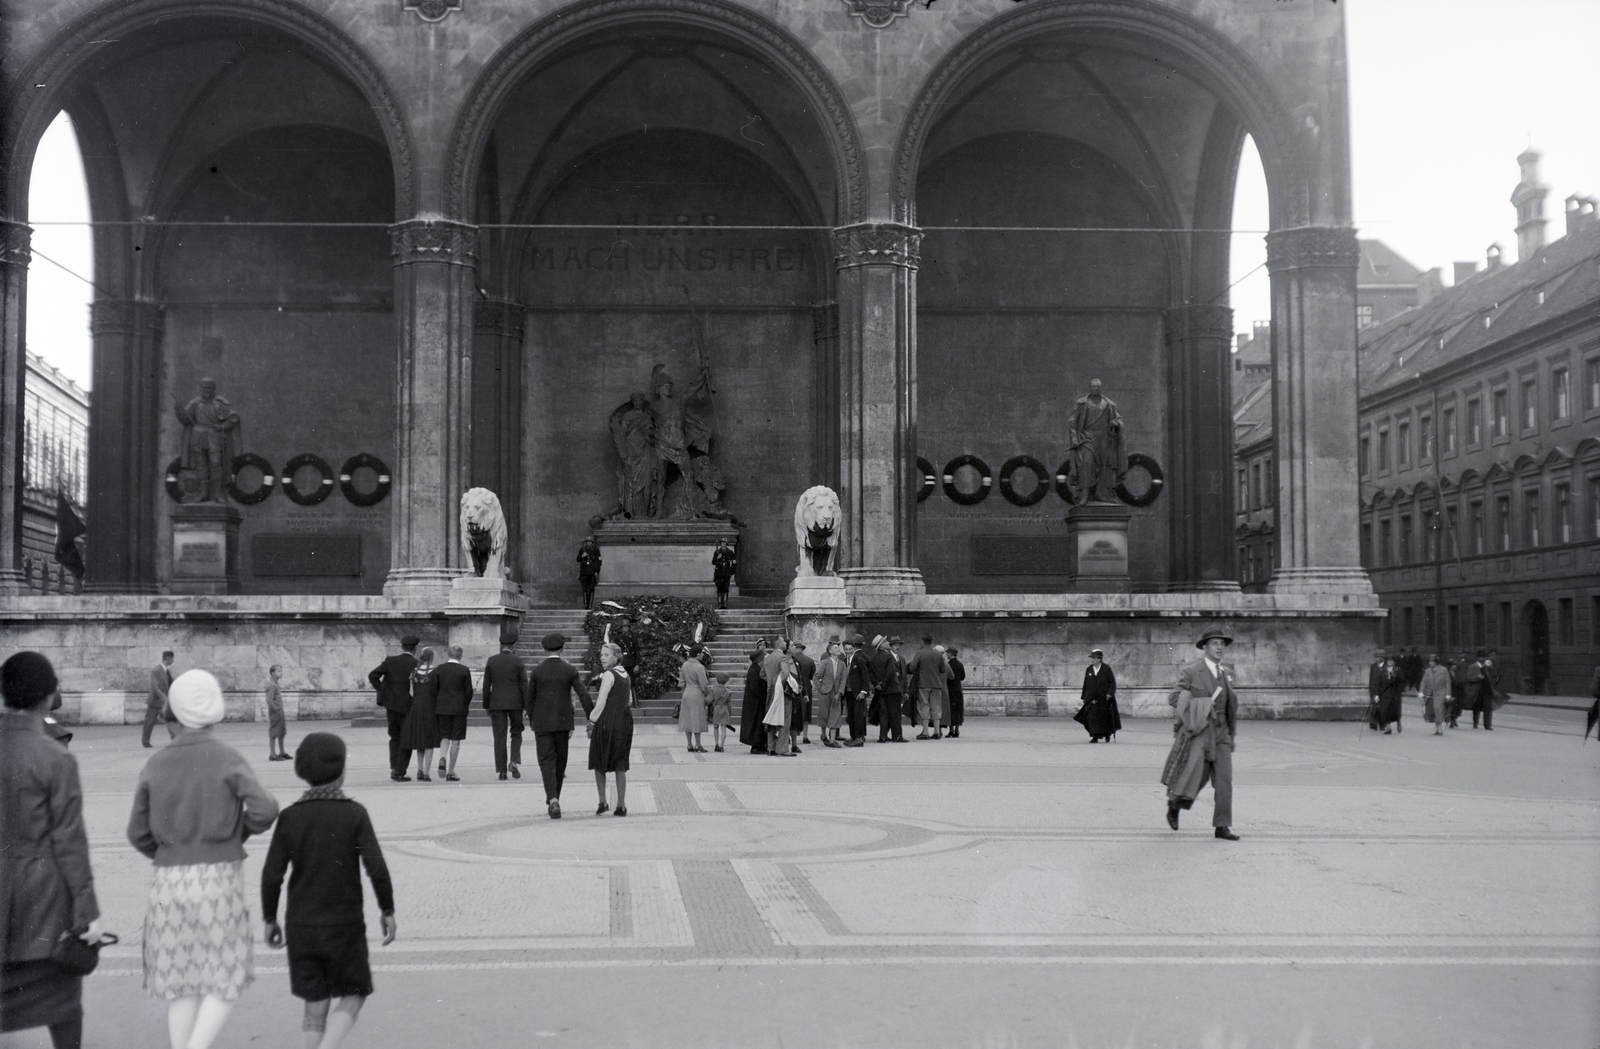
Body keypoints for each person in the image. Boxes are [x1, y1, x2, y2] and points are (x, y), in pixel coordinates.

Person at [127, 669, 280, 1049]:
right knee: (225, 974)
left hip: (167, 882)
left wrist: (166, 851)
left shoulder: (157, 763)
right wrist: (233, 834)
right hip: (218, 878)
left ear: (173, 714)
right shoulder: (227, 757)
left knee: (182, 978)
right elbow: (265, 810)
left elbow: (137, 832)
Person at [261, 733, 397, 1049]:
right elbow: (376, 867)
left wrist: (270, 918)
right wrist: (387, 910)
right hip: (344, 925)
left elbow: (272, 875)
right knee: (354, 994)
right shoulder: (354, 813)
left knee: (315, 1002)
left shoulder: (290, 817)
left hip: (301, 925)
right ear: (342, 771)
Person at [2, 652, 102, 1049]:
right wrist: (88, 914)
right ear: (48, 696)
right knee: (62, 1004)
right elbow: (70, 842)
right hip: (42, 906)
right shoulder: (56, 758)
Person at [1161, 627, 1240, 841]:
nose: (1220, 647)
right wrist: (1201, 706)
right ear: (1204, 647)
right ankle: (1175, 805)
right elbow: (1175, 698)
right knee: (1197, 779)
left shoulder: (1227, 674)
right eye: (1215, 643)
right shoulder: (1192, 672)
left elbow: (1230, 707)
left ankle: (1222, 826)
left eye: (1222, 644)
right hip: (1200, 735)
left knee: (1225, 781)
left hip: (1222, 735)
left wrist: (1231, 735)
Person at [526, 634, 593, 819]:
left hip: (542, 723)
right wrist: (591, 716)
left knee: (546, 762)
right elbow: (583, 695)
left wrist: (532, 719)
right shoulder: (569, 669)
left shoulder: (537, 671)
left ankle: (553, 799)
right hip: (563, 722)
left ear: (544, 649)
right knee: (560, 763)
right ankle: (555, 797)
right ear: (562, 649)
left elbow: (529, 698)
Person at [171, 378, 241, 504]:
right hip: (197, 435)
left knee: (215, 464)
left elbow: (233, 417)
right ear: (200, 388)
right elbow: (185, 419)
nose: (206, 390)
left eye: (209, 388)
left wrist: (221, 426)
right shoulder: (195, 403)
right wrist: (178, 410)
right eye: (204, 387)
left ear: (213, 390)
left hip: (214, 436)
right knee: (200, 466)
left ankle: (218, 494)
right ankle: (203, 493)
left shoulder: (217, 404)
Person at [587, 643, 634, 815]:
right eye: (601, 654)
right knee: (620, 762)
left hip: (608, 720)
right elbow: (628, 700)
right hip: (624, 720)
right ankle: (621, 804)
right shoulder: (625, 674)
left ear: (616, 657)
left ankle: (602, 802)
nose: (602, 657)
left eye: (606, 655)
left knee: (599, 760)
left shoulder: (609, 675)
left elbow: (601, 701)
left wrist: (592, 721)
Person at [1066, 377, 1125, 503]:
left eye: (1098, 386)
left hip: (1104, 438)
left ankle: (1100, 493)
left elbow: (1119, 419)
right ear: (1090, 388)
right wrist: (1074, 439)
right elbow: (1072, 421)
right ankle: (1085, 494)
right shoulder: (1082, 403)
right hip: (1087, 437)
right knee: (1087, 463)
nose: (1096, 388)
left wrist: (1116, 423)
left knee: (1105, 466)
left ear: (1101, 388)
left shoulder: (1109, 404)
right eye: (1094, 386)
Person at [368, 635, 419, 782]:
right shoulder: (415, 663)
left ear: (402, 647)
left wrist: (383, 692)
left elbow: (373, 676)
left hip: (392, 705)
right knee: (406, 738)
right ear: (415, 648)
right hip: (408, 705)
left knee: (394, 737)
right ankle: (400, 771)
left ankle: (393, 768)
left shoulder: (390, 660)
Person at [483, 630, 527, 780]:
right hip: (516, 703)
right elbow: (523, 685)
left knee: (499, 737)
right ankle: (514, 761)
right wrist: (527, 705)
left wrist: (486, 705)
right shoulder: (518, 661)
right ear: (514, 645)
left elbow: (486, 685)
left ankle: (501, 770)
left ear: (501, 645)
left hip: (497, 703)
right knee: (517, 732)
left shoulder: (492, 660)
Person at [427, 646, 473, 781]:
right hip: (459, 708)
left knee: (444, 735)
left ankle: (442, 756)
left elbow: (434, 689)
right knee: (456, 740)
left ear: (448, 655)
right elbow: (468, 691)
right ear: (460, 656)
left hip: (442, 708)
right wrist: (464, 704)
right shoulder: (464, 670)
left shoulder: (439, 669)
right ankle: (451, 771)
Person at [398, 648, 441, 781]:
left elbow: (411, 692)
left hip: (416, 706)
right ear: (432, 657)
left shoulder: (414, 671)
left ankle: (420, 770)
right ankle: (427, 772)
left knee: (419, 739)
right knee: (429, 741)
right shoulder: (435, 671)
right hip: (429, 706)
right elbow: (436, 691)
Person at [762, 637, 800, 757]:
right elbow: (785, 672)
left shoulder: (767, 658)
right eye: (783, 641)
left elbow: (762, 673)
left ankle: (771, 747)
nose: (785, 643)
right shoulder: (782, 657)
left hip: (770, 691)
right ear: (778, 644)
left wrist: (770, 681)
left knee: (771, 718)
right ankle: (782, 748)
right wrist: (778, 682)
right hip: (782, 692)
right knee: (784, 720)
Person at [1074, 648, 1121, 742]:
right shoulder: (1089, 669)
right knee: (1090, 717)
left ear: (1099, 659)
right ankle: (1094, 736)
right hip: (1091, 698)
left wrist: (1109, 694)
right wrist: (1084, 696)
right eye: (1092, 658)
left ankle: (1107, 734)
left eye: (1094, 658)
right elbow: (1086, 683)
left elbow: (1112, 683)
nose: (1092, 660)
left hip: (1104, 698)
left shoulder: (1106, 669)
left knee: (1104, 717)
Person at [906, 635, 948, 740]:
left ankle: (925, 732)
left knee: (924, 706)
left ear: (922, 642)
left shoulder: (920, 653)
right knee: (936, 707)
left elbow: (912, 667)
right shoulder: (938, 654)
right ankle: (937, 732)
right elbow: (942, 669)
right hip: (936, 685)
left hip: (923, 684)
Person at [868, 635, 906, 743]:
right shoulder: (889, 657)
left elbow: (871, 674)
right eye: (885, 642)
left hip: (880, 691)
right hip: (892, 689)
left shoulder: (873, 658)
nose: (887, 643)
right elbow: (891, 672)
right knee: (895, 714)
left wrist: (877, 685)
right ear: (881, 645)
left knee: (883, 714)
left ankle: (883, 736)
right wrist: (884, 684)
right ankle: (897, 736)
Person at [813, 637, 845, 748]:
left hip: (836, 692)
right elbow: (816, 677)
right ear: (830, 651)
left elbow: (843, 680)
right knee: (823, 714)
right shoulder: (824, 663)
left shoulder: (842, 664)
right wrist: (821, 689)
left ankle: (832, 740)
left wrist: (840, 692)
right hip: (825, 692)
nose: (838, 649)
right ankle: (823, 734)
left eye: (838, 647)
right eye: (835, 647)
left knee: (835, 714)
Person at [678, 644, 710, 754]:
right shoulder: (699, 667)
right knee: (697, 718)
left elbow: (681, 682)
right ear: (697, 654)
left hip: (687, 692)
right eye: (701, 653)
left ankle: (689, 744)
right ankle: (698, 744)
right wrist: (707, 693)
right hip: (697, 693)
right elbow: (704, 684)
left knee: (687, 718)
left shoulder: (684, 665)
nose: (702, 655)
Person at [841, 635, 872, 747]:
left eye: (850, 649)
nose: (848, 651)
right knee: (850, 715)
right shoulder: (843, 660)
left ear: (853, 649)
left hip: (858, 693)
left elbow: (865, 676)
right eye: (846, 649)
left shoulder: (859, 660)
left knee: (858, 715)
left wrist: (863, 692)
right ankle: (853, 736)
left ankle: (859, 738)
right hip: (847, 692)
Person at [738, 648, 768, 755]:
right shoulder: (754, 670)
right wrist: (764, 695)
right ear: (760, 660)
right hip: (755, 703)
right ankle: (756, 745)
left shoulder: (756, 669)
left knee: (759, 723)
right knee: (756, 724)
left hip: (757, 702)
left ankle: (761, 744)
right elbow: (755, 687)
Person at [142, 650, 175, 747]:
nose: (173, 661)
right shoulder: (156, 670)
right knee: (149, 722)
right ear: (168, 658)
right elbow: (154, 687)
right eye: (172, 658)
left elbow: (171, 684)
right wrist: (164, 698)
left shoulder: (166, 671)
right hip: (155, 701)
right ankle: (145, 741)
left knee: (170, 720)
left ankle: (175, 740)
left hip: (162, 702)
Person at [1466, 648, 1499, 730]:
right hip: (1477, 691)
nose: (1482, 659)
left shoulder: (1488, 666)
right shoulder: (1473, 667)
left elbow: (1495, 676)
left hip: (1487, 690)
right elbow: (1469, 677)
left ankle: (1487, 725)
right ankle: (1475, 723)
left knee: (1488, 707)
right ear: (1477, 658)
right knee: (1476, 707)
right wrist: (1477, 677)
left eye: (1483, 657)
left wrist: (1491, 667)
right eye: (1480, 657)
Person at [1420, 653, 1451, 736]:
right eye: (1430, 661)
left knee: (1438, 709)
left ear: (1436, 662)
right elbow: (1424, 681)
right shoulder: (1427, 671)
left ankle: (1440, 728)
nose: (1430, 663)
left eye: (1432, 661)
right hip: (1431, 692)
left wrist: (1448, 694)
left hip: (1441, 691)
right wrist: (1421, 691)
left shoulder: (1444, 670)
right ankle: (1437, 728)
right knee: (1433, 710)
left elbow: (1447, 682)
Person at [792, 641, 816, 745]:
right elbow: (812, 675)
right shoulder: (809, 660)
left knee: (792, 712)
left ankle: (791, 736)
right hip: (807, 687)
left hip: (794, 686)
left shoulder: (791, 660)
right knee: (806, 713)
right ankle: (805, 736)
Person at [1373, 655, 1404, 734]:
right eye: (1389, 661)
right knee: (1385, 711)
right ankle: (1388, 728)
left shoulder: (1398, 670)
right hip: (1385, 694)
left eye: (1392, 661)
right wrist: (1377, 694)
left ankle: (1398, 723)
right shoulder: (1383, 670)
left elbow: (1402, 681)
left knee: (1395, 711)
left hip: (1394, 694)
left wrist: (1399, 690)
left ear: (1394, 662)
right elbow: (1379, 683)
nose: (1390, 662)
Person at [265, 665, 288, 761]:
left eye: (281, 671)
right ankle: (273, 754)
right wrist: (276, 710)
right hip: (276, 712)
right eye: (279, 671)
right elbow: (269, 700)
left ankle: (282, 752)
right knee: (274, 733)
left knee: (282, 732)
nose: (281, 672)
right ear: (272, 673)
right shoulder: (272, 685)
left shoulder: (275, 684)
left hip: (279, 711)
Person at [707, 672, 733, 752]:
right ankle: (722, 745)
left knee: (715, 727)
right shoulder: (728, 691)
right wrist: (730, 712)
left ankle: (716, 744)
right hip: (724, 709)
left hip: (715, 709)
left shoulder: (712, 689)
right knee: (723, 729)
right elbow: (729, 704)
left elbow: (709, 700)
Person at [945, 647, 966, 738]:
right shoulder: (960, 664)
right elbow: (963, 677)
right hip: (958, 689)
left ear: (950, 654)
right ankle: (957, 729)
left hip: (950, 689)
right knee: (958, 709)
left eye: (947, 654)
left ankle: (951, 730)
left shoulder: (948, 665)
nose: (946, 655)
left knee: (951, 710)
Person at [576, 538, 601, 610]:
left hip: (592, 572)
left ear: (592, 543)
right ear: (586, 543)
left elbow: (598, 562)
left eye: (590, 542)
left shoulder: (595, 550)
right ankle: (585, 604)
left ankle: (590, 604)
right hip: (584, 572)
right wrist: (582, 556)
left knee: (591, 589)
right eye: (587, 542)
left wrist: (596, 571)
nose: (588, 543)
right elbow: (577, 559)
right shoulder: (582, 550)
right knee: (585, 589)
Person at [712, 538, 737, 610]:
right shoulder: (717, 552)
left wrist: (731, 572)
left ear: (726, 544)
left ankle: (725, 604)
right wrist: (717, 558)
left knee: (726, 588)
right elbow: (713, 562)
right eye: (722, 542)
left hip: (726, 573)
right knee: (719, 588)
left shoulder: (730, 552)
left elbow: (734, 563)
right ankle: (719, 604)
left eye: (724, 542)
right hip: (719, 573)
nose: (723, 544)